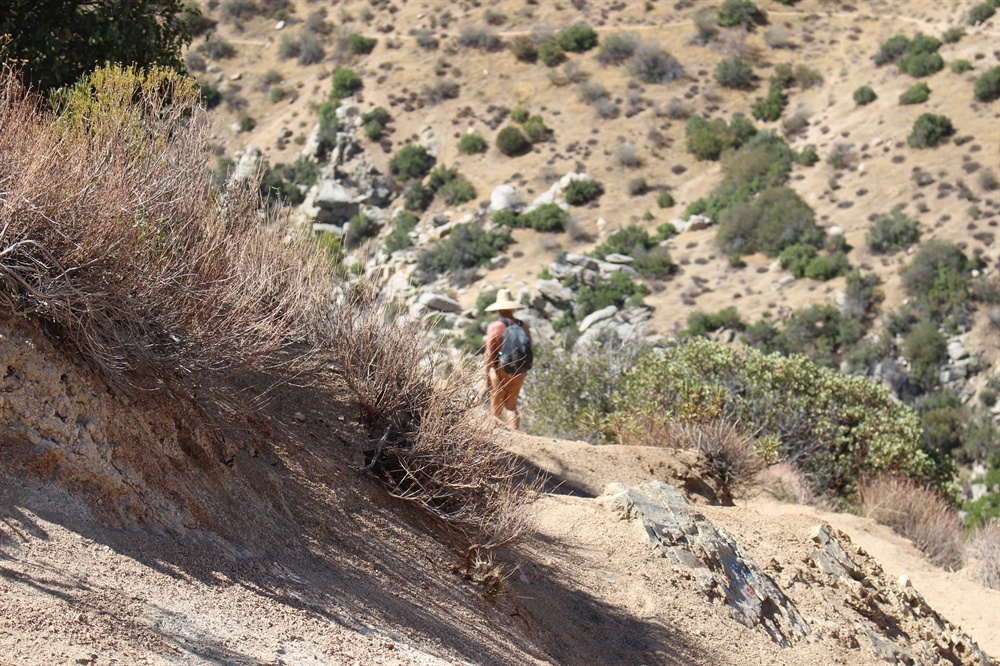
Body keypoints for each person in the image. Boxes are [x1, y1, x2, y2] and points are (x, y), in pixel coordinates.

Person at [483, 289, 532, 430]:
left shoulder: (495, 327)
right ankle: (516, 437)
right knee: (511, 406)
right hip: (519, 369)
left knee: (496, 405)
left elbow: (489, 354)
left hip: (500, 369)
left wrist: (487, 375)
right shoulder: (523, 326)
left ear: (499, 308)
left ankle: (496, 436)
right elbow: (529, 350)